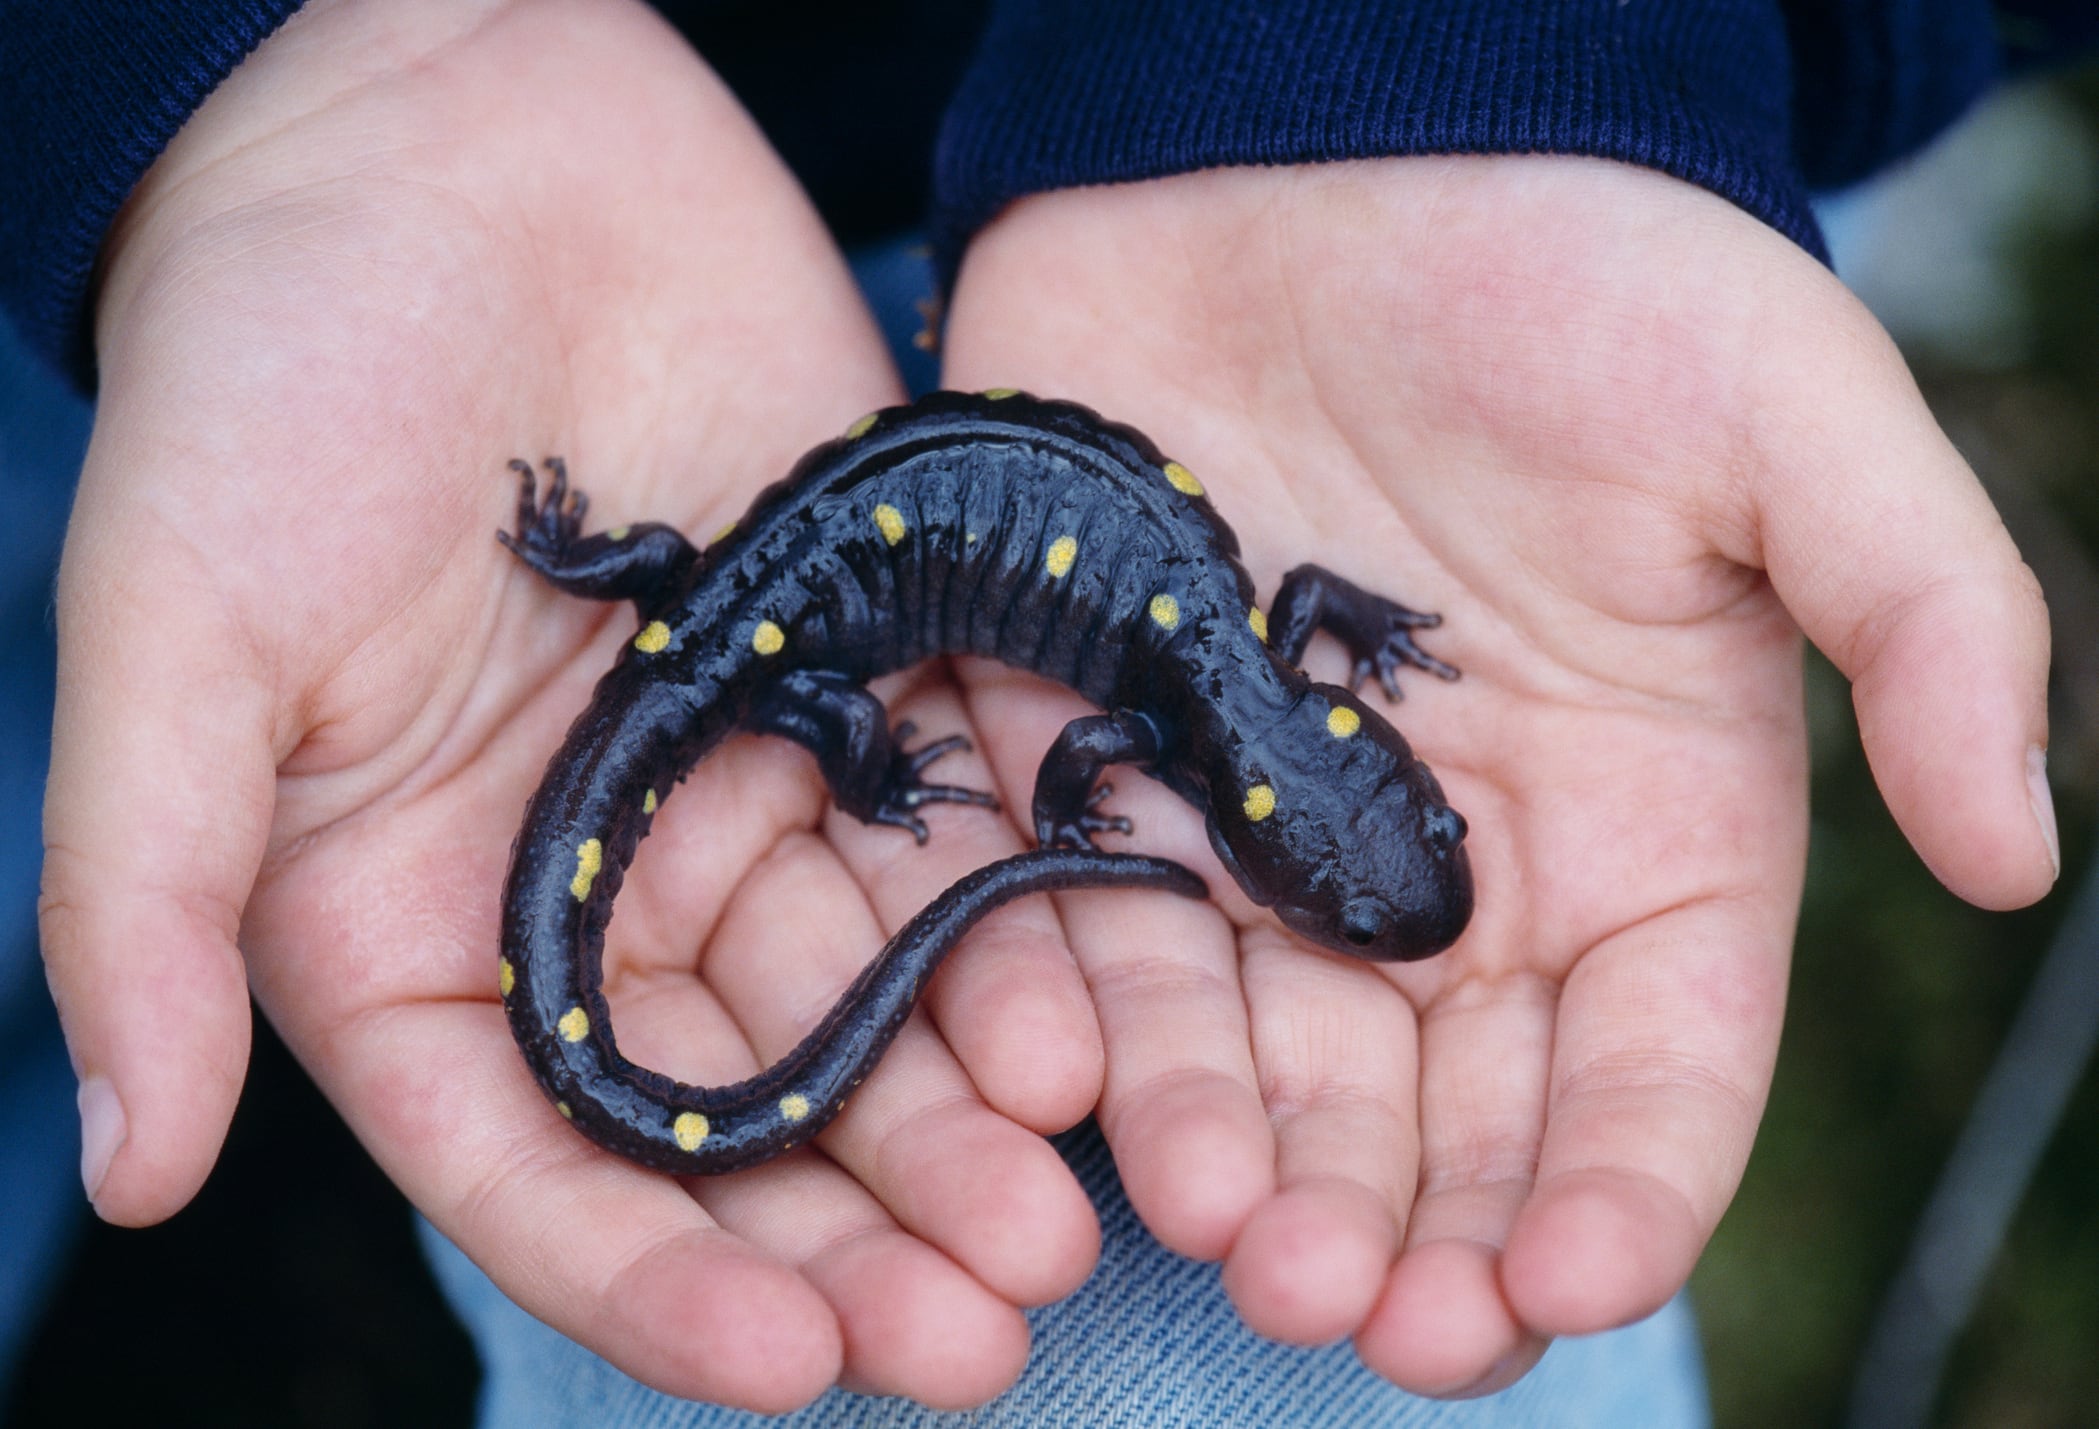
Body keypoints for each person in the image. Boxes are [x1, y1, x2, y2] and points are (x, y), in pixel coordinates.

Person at [5, 1, 2089, 1421]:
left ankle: (593, 592)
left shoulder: (1246, 683)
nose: (1397, 874)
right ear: (1312, 783)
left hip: (787, 478)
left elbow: (1175, 714)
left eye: (1386, 879)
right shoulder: (1213, 717)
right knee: (177, 720)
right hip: (573, 353)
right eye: (1395, 871)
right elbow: (1121, 741)